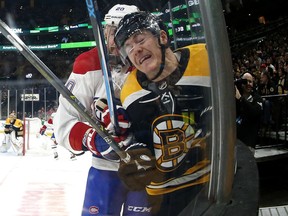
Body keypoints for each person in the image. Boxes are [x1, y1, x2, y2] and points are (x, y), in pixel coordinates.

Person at [54, 4, 152, 216]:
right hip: (104, 170)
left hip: (147, 169)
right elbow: (63, 123)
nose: (111, 41)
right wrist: (94, 139)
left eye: (120, 33)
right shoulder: (89, 63)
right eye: (109, 31)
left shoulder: (151, 61)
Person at [114, 11, 211, 216]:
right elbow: (143, 140)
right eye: (129, 47)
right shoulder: (130, 91)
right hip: (164, 198)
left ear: (163, 37)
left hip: (211, 183)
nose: (136, 49)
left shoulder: (205, 57)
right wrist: (137, 156)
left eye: (140, 39)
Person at [235, 72, 263, 153]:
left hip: (248, 143)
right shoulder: (236, 96)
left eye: (250, 82)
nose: (248, 84)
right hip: (236, 141)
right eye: (245, 81)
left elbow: (254, 112)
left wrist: (241, 99)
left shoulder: (257, 98)